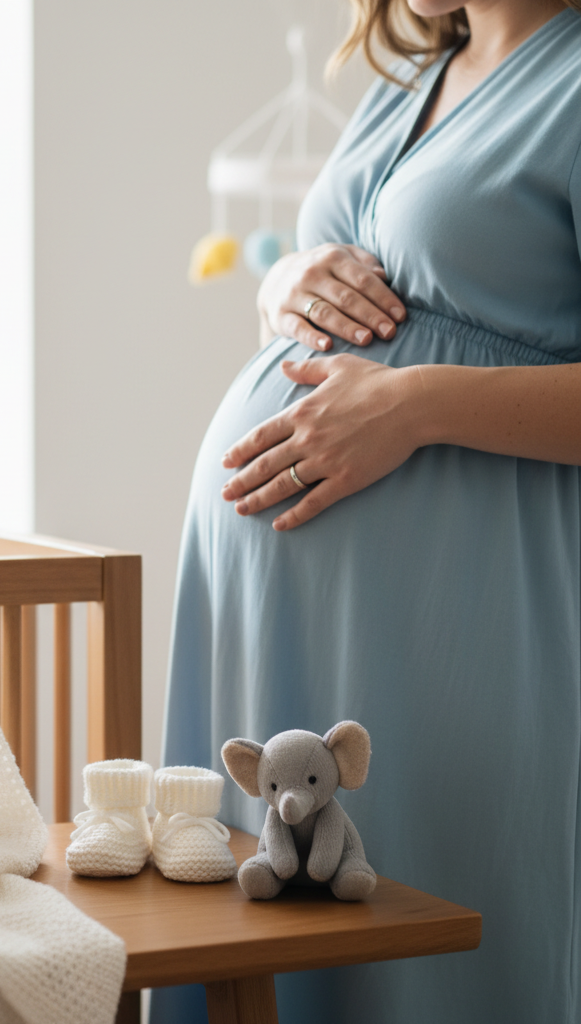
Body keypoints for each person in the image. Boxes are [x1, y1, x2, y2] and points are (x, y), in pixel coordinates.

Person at [153, 2, 581, 1022]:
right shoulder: (422, 70)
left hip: (458, 617)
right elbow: (357, 289)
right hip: (267, 612)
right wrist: (283, 288)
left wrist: (416, 403)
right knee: (259, 916)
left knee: (427, 932)